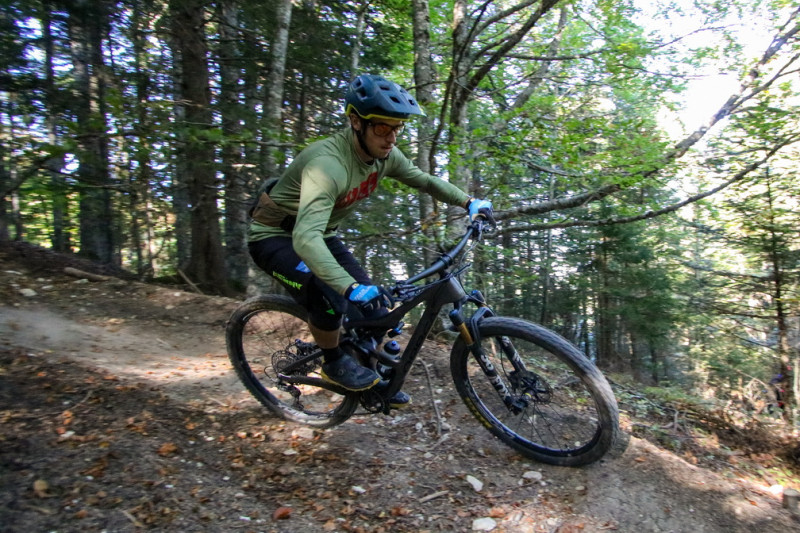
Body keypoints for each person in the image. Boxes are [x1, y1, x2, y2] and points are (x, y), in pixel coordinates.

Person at [247, 74, 493, 407]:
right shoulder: (328, 165)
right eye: (382, 128)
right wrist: (348, 288)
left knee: (376, 308)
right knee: (330, 295)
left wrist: (468, 202)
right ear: (355, 122)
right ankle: (333, 363)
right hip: (275, 237)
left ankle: (369, 380)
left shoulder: (384, 157)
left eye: (397, 128)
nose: (391, 137)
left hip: (322, 235)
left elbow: (422, 180)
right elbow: (305, 238)